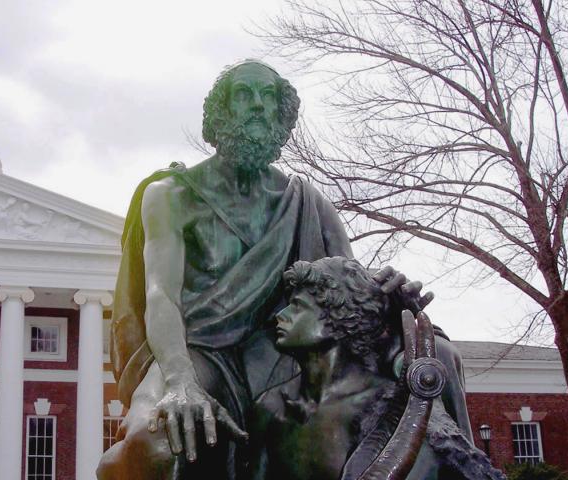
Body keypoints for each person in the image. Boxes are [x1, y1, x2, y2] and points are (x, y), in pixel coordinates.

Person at [97, 60, 441, 480]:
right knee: (156, 444)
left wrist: (389, 297)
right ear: (220, 112)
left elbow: (348, 292)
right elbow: (159, 295)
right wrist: (180, 380)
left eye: (269, 97)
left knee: (432, 357)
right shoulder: (171, 197)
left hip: (283, 359)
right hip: (195, 353)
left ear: (283, 116)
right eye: (244, 95)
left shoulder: (307, 203)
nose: (258, 106)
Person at [248, 257, 501, 480]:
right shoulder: (270, 407)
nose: (279, 315)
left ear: (337, 316)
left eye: (298, 306)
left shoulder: (393, 407)